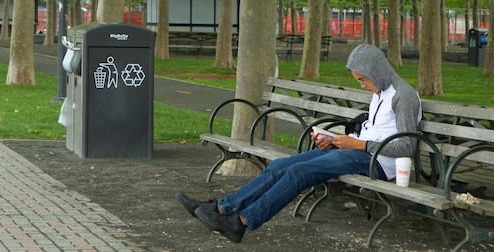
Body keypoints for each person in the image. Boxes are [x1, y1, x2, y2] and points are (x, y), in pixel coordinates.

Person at [177, 43, 422, 243]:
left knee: (299, 172)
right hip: (358, 151)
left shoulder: (404, 96)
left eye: (362, 80)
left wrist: (359, 145)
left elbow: (406, 146)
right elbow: (372, 132)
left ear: (377, 71)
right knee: (280, 165)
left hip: (379, 163)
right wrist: (332, 141)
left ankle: (240, 222)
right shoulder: (379, 94)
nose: (362, 85)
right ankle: (221, 208)